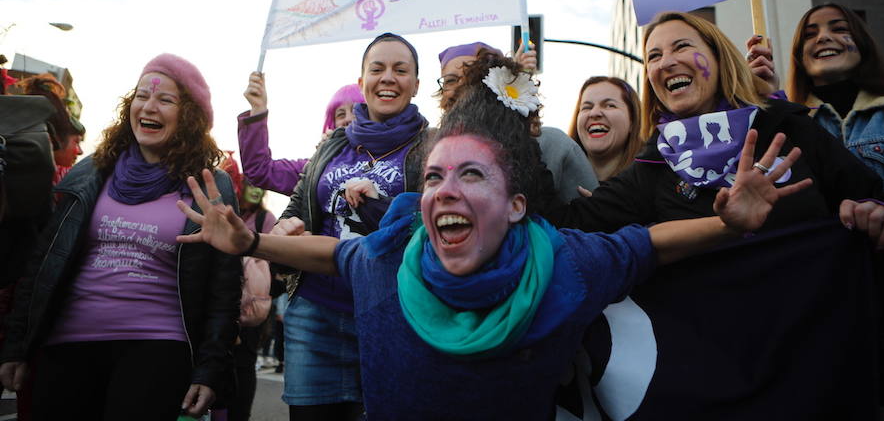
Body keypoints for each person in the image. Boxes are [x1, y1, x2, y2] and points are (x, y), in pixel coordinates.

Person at [176, 52, 817, 420]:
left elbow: (650, 244)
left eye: (471, 174)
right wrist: (252, 244)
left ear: (515, 206)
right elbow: (333, 252)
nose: (444, 190)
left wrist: (729, 223)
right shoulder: (391, 255)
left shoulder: (567, 264)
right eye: (432, 177)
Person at [552, 11, 884, 419]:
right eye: (654, 56)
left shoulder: (785, 125)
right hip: (719, 382)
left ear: (718, 59)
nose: (665, 62)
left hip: (818, 363)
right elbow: (566, 227)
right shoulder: (653, 165)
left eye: (682, 46)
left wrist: (875, 212)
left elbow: (870, 195)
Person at [0, 54, 241, 421]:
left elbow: (224, 287)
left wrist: (210, 368)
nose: (149, 106)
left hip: (158, 350)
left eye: (166, 99)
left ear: (190, 116)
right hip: (67, 345)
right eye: (142, 95)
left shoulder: (209, 185)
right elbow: (44, 261)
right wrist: (16, 345)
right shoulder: (92, 172)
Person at [275, 32, 429, 420]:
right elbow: (298, 205)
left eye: (400, 70)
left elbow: (435, 225)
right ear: (362, 83)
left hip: (391, 315)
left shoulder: (434, 147)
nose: (388, 78)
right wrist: (283, 231)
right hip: (314, 314)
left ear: (415, 84)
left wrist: (381, 205)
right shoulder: (332, 144)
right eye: (377, 69)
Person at [437, 41, 597, 202]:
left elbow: (590, 217)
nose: (460, 86)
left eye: (472, 77)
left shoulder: (554, 145)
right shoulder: (431, 147)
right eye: (450, 80)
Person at [782, 3, 884, 199]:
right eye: (809, 35)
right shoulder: (789, 121)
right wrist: (766, 98)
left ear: (862, 43)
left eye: (839, 29)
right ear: (799, 56)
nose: (823, 37)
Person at [218, 154, 277, 421]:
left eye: (259, 186)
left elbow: (275, 262)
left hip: (251, 305)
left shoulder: (266, 218)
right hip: (223, 297)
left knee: (244, 363)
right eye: (249, 184)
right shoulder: (229, 210)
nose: (255, 190)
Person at [238, 72, 365, 195]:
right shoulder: (314, 169)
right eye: (341, 114)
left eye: (355, 111)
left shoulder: (383, 159)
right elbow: (261, 170)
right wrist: (258, 108)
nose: (348, 119)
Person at [568, 76, 643, 181]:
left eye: (609, 105)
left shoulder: (654, 182)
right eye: (587, 107)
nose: (594, 113)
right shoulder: (554, 184)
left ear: (632, 120)